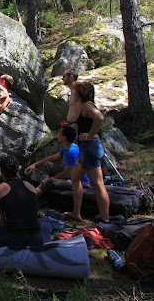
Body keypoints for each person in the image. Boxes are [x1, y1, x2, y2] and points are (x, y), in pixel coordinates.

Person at [0, 156, 52, 247]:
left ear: (1, 171)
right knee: (45, 221)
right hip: (37, 239)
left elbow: (1, 223)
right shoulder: (30, 186)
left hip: (12, 239)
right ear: (17, 171)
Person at [63, 82, 110, 222]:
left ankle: (105, 218)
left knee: (97, 183)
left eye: (75, 91)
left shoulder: (88, 105)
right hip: (86, 148)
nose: (73, 93)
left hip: (90, 146)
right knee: (75, 177)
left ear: (81, 93)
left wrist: (89, 135)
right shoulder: (83, 107)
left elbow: (100, 118)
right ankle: (76, 213)